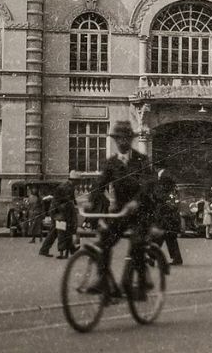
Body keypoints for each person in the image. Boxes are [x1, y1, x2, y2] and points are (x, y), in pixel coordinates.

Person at [89, 121, 156, 297]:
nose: (121, 142)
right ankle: (102, 280)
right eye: (117, 138)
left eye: (124, 138)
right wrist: (91, 201)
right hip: (121, 212)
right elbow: (98, 185)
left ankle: (140, 285)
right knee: (104, 241)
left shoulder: (141, 160)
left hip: (142, 212)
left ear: (130, 139)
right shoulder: (111, 163)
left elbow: (148, 185)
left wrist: (136, 201)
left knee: (137, 243)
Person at [152, 169, 183, 265]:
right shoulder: (173, 190)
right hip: (172, 219)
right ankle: (177, 258)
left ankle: (152, 257)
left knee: (159, 238)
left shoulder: (163, 190)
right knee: (170, 239)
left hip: (165, 218)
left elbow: (159, 200)